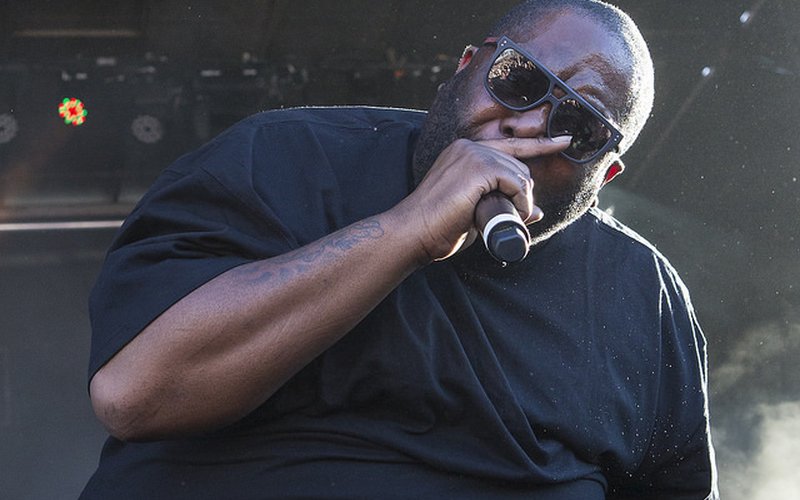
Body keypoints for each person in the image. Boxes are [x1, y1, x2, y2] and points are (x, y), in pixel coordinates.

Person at [81, 0, 718, 498]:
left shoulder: (643, 294)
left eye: (577, 125)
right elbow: (135, 395)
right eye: (519, 81)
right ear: (465, 67)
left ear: (604, 173)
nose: (527, 124)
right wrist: (409, 229)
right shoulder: (280, 158)